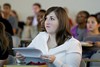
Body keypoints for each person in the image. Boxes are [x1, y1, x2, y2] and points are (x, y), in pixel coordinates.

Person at [16, 7, 82, 67]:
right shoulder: (41, 36)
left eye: (52, 19)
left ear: (61, 22)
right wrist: (20, 58)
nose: (47, 22)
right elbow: (25, 60)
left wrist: (54, 61)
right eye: (46, 18)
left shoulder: (73, 43)